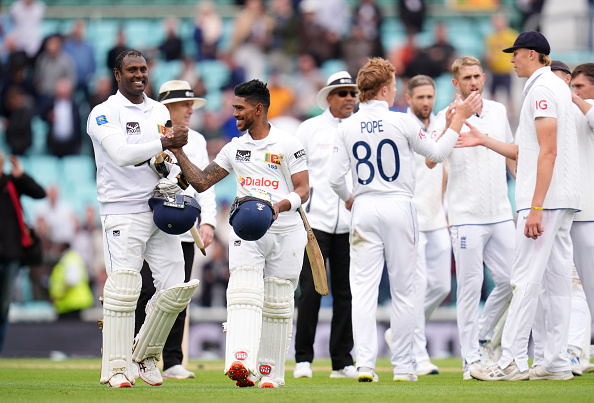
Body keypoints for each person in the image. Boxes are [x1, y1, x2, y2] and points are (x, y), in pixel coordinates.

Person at [328, 57, 481, 382]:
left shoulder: (346, 126)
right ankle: (402, 367)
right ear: (385, 89)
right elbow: (437, 155)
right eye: (394, 85)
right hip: (399, 204)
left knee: (364, 291)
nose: (396, 90)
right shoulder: (402, 122)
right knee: (405, 290)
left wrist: (350, 199)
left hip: (365, 207)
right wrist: (458, 122)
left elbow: (334, 179)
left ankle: (366, 365)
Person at [170, 78, 309, 389]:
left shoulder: (289, 143)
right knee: (243, 291)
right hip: (246, 229)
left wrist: (278, 206)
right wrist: (178, 151)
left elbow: (304, 189)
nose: (233, 114)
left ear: (258, 109)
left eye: (239, 108)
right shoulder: (235, 148)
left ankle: (270, 374)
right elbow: (203, 181)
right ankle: (240, 361)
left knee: (278, 302)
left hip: (286, 231)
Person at [465, 31, 580, 381]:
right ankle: (556, 362)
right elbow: (528, 151)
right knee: (557, 282)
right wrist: (484, 140)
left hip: (544, 201)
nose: (511, 60)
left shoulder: (542, 90)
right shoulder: (555, 87)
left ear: (531, 54)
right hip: (563, 200)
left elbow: (548, 151)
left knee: (524, 279)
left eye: (515, 54)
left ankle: (512, 360)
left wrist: (536, 206)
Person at [87, 49, 198, 388]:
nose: (139, 75)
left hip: (159, 209)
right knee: (125, 289)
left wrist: (171, 170)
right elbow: (121, 155)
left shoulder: (159, 110)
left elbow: (161, 158)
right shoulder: (103, 113)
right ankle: (117, 366)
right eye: (131, 69)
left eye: (143, 69)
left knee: (175, 287)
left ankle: (147, 353)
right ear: (117, 74)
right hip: (121, 210)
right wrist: (163, 140)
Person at [431, 56, 515, 380]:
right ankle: (470, 360)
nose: (474, 83)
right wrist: (454, 122)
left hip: (500, 213)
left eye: (477, 76)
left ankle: (481, 336)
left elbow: (509, 152)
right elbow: (433, 158)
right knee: (470, 287)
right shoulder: (446, 115)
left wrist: (523, 198)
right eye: (466, 78)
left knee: (513, 281)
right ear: (455, 83)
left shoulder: (497, 110)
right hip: (465, 215)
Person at [134, 80, 217, 380]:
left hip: (184, 226)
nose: (191, 109)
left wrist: (208, 221)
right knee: (145, 291)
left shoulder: (197, 139)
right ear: (167, 107)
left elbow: (204, 184)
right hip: (152, 225)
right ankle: (139, 355)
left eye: (192, 103)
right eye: (186, 104)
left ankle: (172, 360)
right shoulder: (150, 135)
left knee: (178, 294)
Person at [293, 71, 358, 380]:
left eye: (352, 93)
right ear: (329, 97)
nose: (349, 98)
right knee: (311, 291)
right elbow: (294, 171)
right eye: (343, 93)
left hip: (351, 223)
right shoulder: (309, 129)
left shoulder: (361, 127)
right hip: (314, 223)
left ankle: (342, 360)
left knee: (346, 292)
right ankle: (303, 358)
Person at [386, 75, 452, 376]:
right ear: (408, 98)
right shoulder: (400, 126)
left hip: (437, 217)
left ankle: (400, 331)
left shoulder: (443, 121)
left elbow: (445, 170)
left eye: (430, 96)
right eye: (420, 97)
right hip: (411, 217)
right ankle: (419, 354)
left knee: (441, 285)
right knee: (416, 288)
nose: (426, 102)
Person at [550, 61, 594, 375]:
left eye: (580, 87)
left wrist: (576, 100)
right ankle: (576, 351)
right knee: (579, 286)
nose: (574, 92)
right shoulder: (566, 112)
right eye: (572, 86)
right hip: (581, 212)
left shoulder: (582, 108)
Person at [0, 151, 45, 355]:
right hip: (10, 254)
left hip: (10, 255)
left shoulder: (12, 183)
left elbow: (39, 193)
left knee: (3, 306)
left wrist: (21, 176)